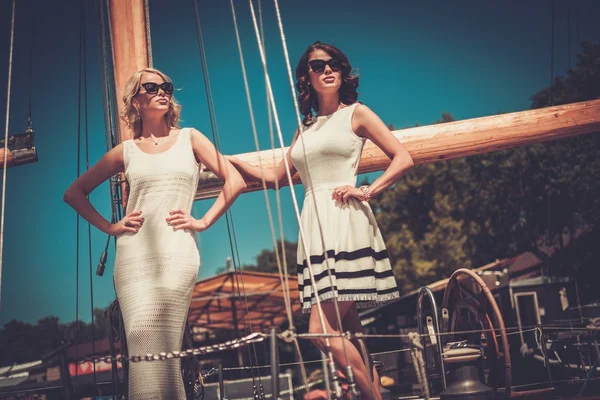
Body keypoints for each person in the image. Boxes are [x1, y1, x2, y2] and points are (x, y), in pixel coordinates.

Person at [227, 42, 414, 400]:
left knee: (320, 332)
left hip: (345, 222)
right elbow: (278, 178)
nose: (328, 70)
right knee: (350, 330)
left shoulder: (357, 113)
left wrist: (368, 190)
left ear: (342, 72)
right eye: (318, 65)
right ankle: (375, 390)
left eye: (334, 64)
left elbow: (403, 158)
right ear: (306, 77)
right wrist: (229, 161)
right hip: (314, 228)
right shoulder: (305, 129)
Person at [63, 68, 246, 399]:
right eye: (152, 87)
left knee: (160, 343)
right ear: (136, 100)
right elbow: (74, 192)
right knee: (141, 346)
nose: (162, 91)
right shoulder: (126, 151)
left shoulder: (191, 138)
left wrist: (203, 221)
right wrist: (110, 226)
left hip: (177, 251)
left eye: (166, 86)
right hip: (133, 258)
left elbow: (235, 181)